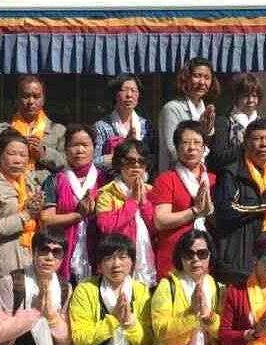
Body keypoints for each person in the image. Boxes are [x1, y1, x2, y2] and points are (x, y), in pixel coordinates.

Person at [0, 229, 71, 345]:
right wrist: (35, 311)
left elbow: (66, 339)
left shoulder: (64, 287)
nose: (49, 257)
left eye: (56, 252)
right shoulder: (12, 282)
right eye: (44, 250)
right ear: (33, 252)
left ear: (62, 258)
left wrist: (51, 316)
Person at [146, 230, 229, 345]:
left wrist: (208, 316)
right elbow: (160, 330)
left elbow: (223, 332)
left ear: (210, 256)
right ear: (180, 258)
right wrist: (192, 315)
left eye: (202, 253)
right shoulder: (167, 286)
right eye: (188, 254)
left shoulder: (217, 287)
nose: (195, 259)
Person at [67, 233, 149, 345]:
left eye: (122, 257)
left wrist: (130, 323)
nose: (116, 264)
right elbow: (79, 338)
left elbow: (144, 342)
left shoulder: (141, 291)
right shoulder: (86, 290)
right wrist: (113, 320)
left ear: (132, 261)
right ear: (99, 264)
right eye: (109, 258)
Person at [213, 119, 266, 286]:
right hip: (238, 263)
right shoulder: (232, 173)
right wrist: (264, 203)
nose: (263, 144)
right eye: (257, 139)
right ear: (245, 142)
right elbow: (226, 212)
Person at [0, 131, 43, 298]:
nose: (18, 160)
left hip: (29, 262)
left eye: (23, 155)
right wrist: (25, 215)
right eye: (12, 154)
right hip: (2, 267)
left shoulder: (29, 182)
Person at [39, 124, 104, 285]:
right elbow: (46, 219)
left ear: (94, 148)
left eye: (85, 145)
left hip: (98, 252)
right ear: (65, 149)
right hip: (62, 252)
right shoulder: (54, 180)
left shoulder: (104, 180)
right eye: (74, 145)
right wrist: (78, 215)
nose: (80, 150)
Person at [151, 121, 215, 278]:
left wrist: (210, 212)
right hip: (173, 257)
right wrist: (195, 211)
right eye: (185, 142)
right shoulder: (166, 179)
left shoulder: (213, 180)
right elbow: (160, 220)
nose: (191, 148)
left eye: (197, 142)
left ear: (204, 148)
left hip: (204, 257)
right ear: (176, 147)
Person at [93, 140, 158, 287]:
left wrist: (144, 203)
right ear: (119, 163)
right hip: (119, 262)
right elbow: (106, 227)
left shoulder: (152, 191)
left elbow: (156, 227)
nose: (136, 166)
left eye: (141, 162)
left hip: (148, 260)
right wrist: (132, 202)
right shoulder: (107, 193)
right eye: (130, 161)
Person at [0, 75, 66, 185]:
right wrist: (11, 154)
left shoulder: (58, 131)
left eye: (36, 96)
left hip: (44, 189)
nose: (31, 101)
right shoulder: (2, 129)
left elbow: (67, 164)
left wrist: (43, 153)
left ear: (43, 100)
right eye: (26, 96)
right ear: (17, 100)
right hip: (8, 187)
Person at [158, 57, 219, 172]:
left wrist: (208, 132)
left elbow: (209, 150)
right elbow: (172, 150)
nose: (202, 82)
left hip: (200, 174)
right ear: (185, 78)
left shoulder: (206, 110)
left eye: (207, 77)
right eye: (197, 76)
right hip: (175, 174)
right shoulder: (172, 109)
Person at [93, 72, 155, 169]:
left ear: (138, 95)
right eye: (124, 90)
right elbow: (93, 161)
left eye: (134, 90)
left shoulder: (146, 125)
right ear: (115, 94)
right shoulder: (101, 127)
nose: (129, 95)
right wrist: (123, 150)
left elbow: (152, 158)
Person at [210, 72, 264, 174]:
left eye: (254, 96)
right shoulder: (224, 122)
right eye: (245, 96)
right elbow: (218, 157)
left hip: (259, 177)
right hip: (233, 178)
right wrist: (245, 146)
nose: (250, 100)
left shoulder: (262, 123)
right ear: (236, 97)